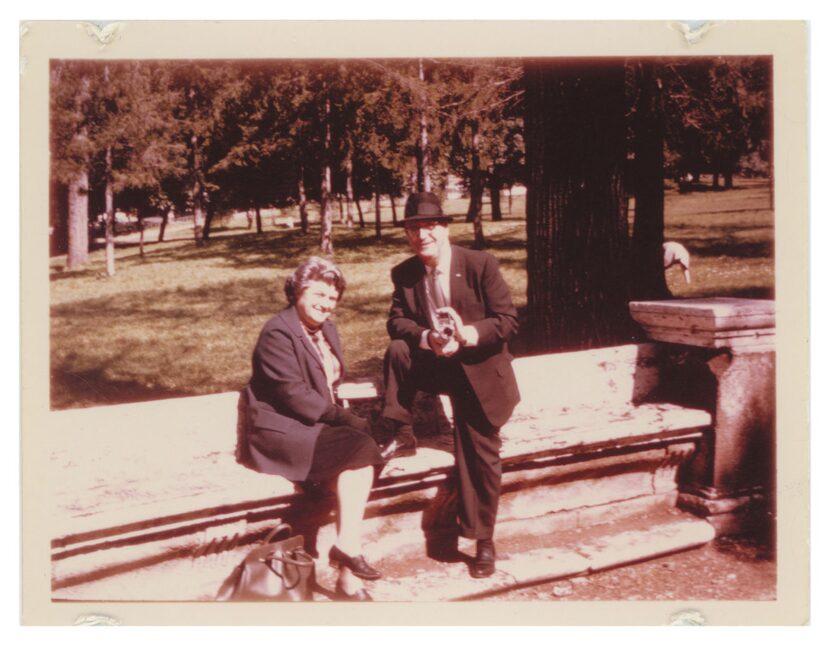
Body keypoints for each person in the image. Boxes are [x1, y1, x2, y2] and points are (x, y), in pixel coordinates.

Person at [380, 192, 520, 578]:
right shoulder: (405, 273)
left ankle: (483, 541)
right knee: (398, 349)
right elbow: (396, 322)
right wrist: (428, 337)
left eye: (428, 226)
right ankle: (398, 429)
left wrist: (467, 333)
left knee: (478, 452)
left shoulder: (479, 264)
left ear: (444, 229)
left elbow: (507, 321)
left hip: (477, 368)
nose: (421, 235)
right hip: (438, 363)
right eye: (413, 228)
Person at [241, 257, 384, 601]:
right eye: (319, 294)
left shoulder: (326, 330)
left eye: (333, 298)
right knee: (360, 449)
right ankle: (348, 566)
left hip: (312, 426)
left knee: (360, 457)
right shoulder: (278, 331)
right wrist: (344, 418)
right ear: (298, 291)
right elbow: (293, 395)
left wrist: (346, 411)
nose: (326, 304)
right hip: (281, 431)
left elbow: (329, 383)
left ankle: (347, 559)